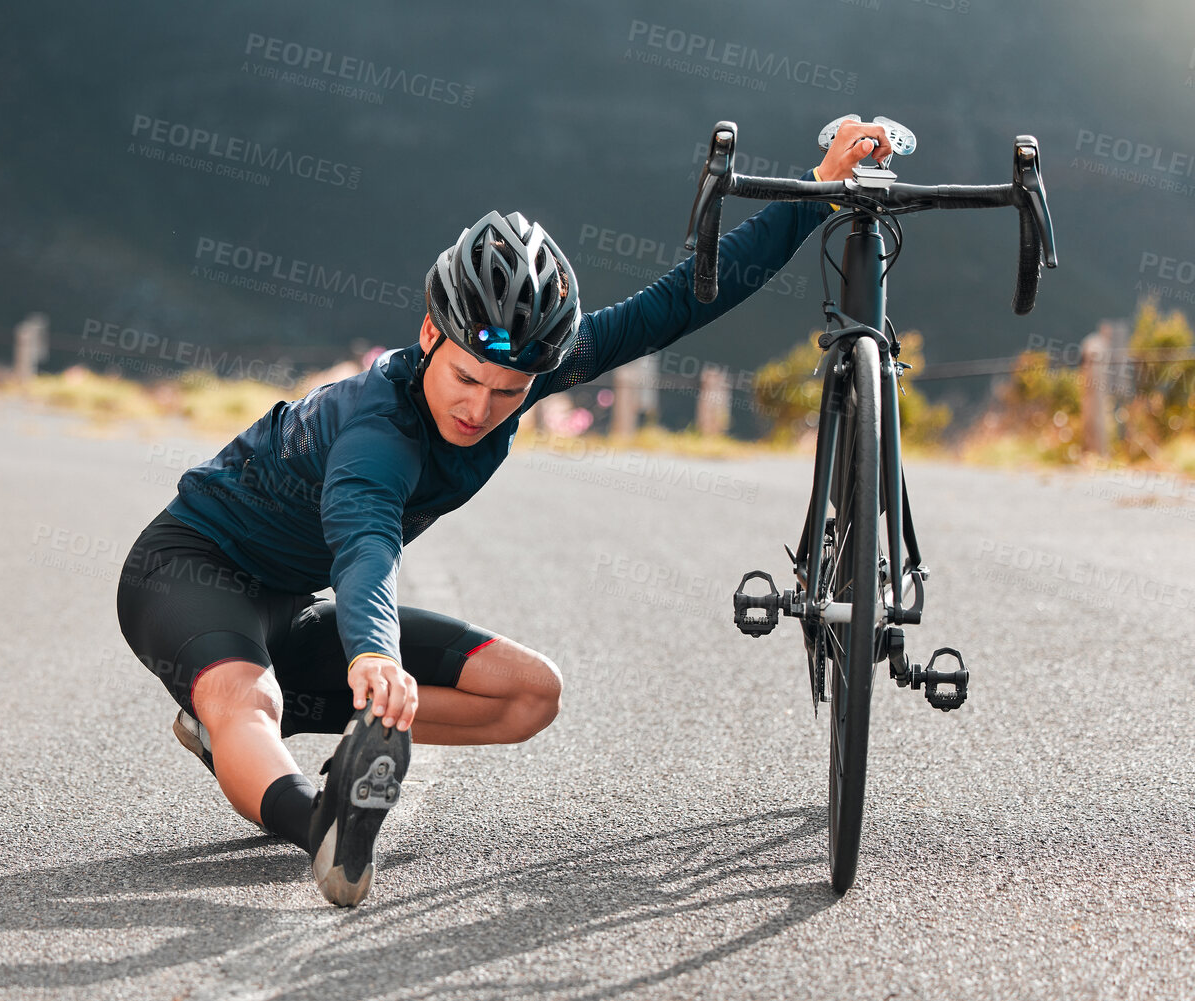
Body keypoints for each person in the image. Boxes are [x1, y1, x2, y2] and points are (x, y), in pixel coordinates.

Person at [116, 121, 897, 906]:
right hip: (190, 570)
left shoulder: (520, 369)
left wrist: (818, 189)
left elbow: (676, 306)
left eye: (508, 392)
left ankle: (273, 737)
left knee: (530, 694)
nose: (480, 406)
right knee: (245, 699)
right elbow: (365, 548)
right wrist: (375, 657)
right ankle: (318, 815)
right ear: (431, 333)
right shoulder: (375, 434)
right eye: (465, 377)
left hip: (289, 607)